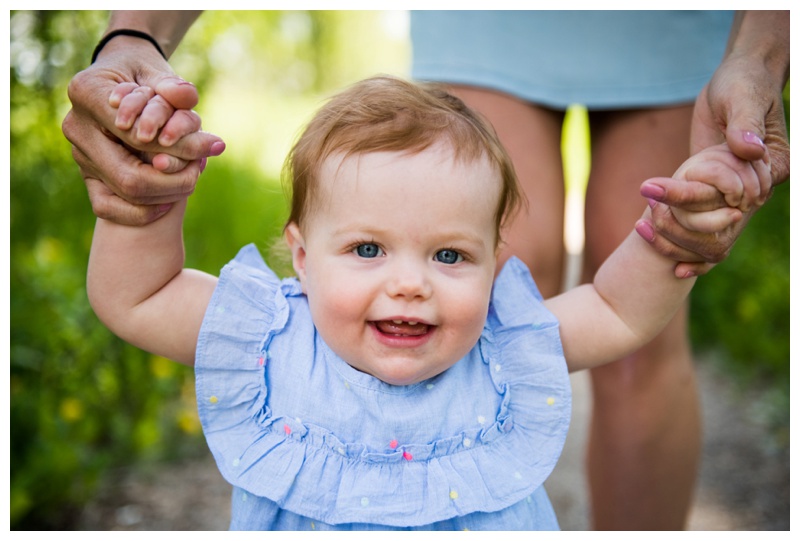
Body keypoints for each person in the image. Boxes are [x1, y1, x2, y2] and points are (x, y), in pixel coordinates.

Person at [62, 10, 789, 530]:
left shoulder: (501, 344)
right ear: (303, 256)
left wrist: (669, 240)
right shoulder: (272, 336)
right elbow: (139, 296)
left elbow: (617, 308)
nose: (410, 283)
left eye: (449, 255)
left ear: (494, 261)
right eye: (368, 249)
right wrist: (142, 207)